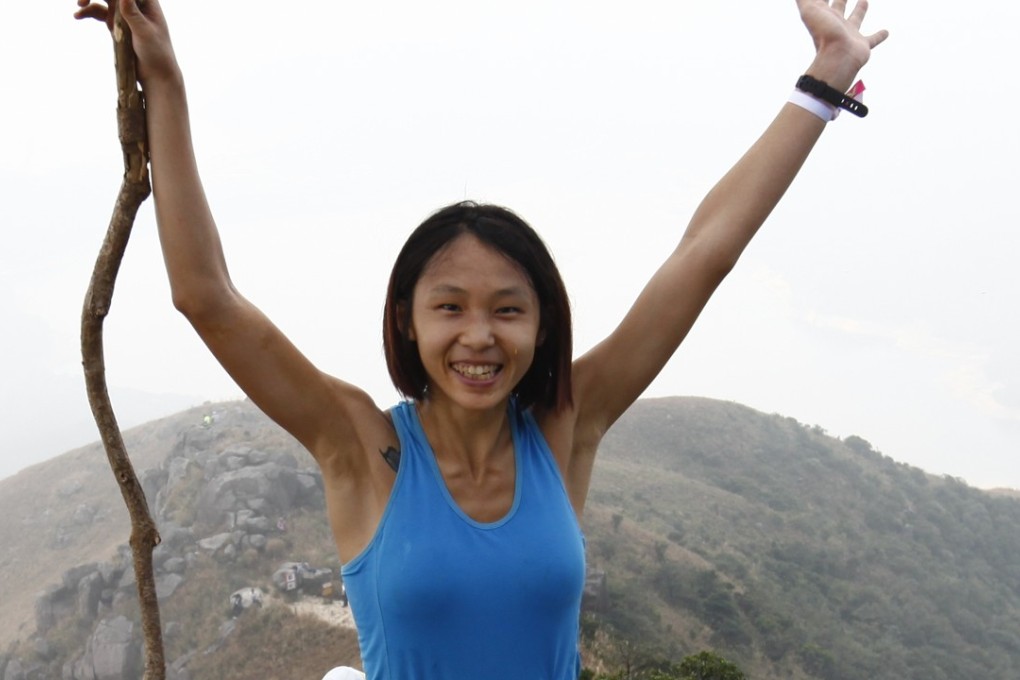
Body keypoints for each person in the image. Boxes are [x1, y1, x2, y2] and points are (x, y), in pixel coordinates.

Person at [75, 1, 888, 678]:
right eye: (450, 307)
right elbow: (207, 298)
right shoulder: (360, 446)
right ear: (407, 319)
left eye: (507, 310)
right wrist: (166, 85)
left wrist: (823, 84)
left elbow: (702, 256)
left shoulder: (565, 426)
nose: (479, 337)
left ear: (543, 324)